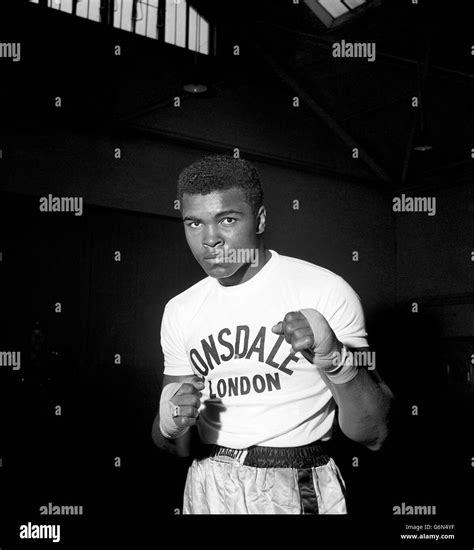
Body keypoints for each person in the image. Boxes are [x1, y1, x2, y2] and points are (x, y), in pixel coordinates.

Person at [151, 155, 393, 514]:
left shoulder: (323, 291)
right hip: (207, 483)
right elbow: (173, 446)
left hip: (296, 483)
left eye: (227, 220)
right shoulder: (181, 309)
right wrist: (169, 425)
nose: (210, 240)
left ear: (260, 219)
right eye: (194, 223)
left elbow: (374, 432)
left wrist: (336, 359)